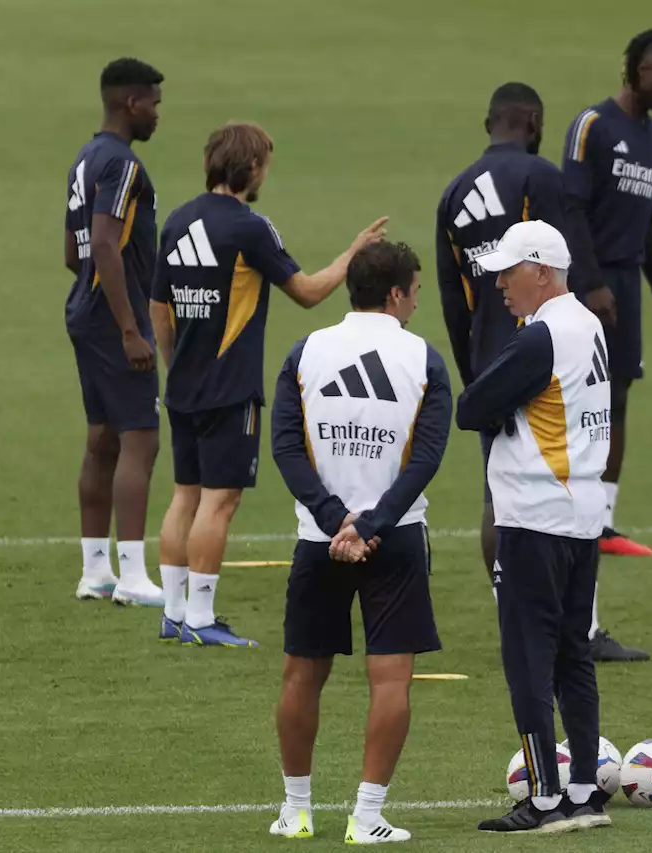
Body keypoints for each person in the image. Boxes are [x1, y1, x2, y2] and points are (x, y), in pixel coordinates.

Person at [151, 122, 388, 647]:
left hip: (184, 385)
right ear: (251, 167)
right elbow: (305, 292)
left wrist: (175, 364)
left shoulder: (177, 221)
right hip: (229, 388)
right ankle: (202, 618)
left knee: (184, 495)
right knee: (221, 499)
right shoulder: (249, 228)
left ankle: (173, 613)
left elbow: (158, 307)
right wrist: (352, 254)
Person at [268, 240, 450, 843]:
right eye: (415, 292)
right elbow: (426, 457)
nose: (416, 303)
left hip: (317, 540)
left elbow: (287, 447)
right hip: (394, 540)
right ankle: (366, 818)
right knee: (391, 680)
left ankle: (295, 813)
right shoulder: (423, 359)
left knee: (300, 676)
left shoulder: (307, 351)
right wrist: (370, 525)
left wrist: (331, 519)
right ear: (396, 293)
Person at [454, 221, 611, 834]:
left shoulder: (541, 337)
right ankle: (584, 795)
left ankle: (543, 801)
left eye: (509, 270)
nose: (498, 283)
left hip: (534, 519)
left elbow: (471, 408)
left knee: (528, 659)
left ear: (541, 270)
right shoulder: (589, 324)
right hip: (582, 517)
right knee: (575, 654)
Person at [560, 29, 652, 662]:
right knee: (584, 401)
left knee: (619, 398)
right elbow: (571, 209)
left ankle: (602, 520)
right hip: (591, 283)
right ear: (635, 70)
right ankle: (575, 513)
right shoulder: (593, 126)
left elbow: (648, 224)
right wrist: (588, 284)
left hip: (626, 287)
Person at [436, 81, 568, 591]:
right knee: (564, 487)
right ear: (533, 123)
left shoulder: (453, 193)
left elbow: (453, 298)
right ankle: (572, 621)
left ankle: (505, 604)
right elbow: (563, 266)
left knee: (499, 493)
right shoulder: (541, 176)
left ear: (488, 124)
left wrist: (474, 372)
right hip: (548, 357)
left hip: (488, 360)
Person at [64, 58, 166, 607]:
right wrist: (131, 327)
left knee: (102, 440)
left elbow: (71, 251)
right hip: (113, 317)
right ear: (131, 103)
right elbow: (105, 243)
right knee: (140, 439)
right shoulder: (123, 165)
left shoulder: (85, 158)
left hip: (84, 307)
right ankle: (131, 576)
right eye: (153, 103)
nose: (157, 114)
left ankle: (95, 570)